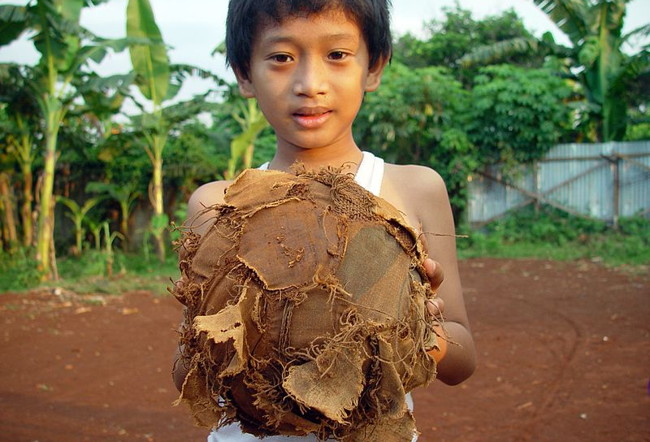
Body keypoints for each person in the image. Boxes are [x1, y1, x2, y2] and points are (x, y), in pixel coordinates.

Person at [173, 0, 476, 440]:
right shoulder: (216, 205)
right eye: (281, 58)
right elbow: (187, 367)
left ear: (374, 68)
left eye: (337, 55)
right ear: (244, 73)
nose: (310, 84)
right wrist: (210, 328)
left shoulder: (415, 189)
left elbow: (463, 360)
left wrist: (419, 330)